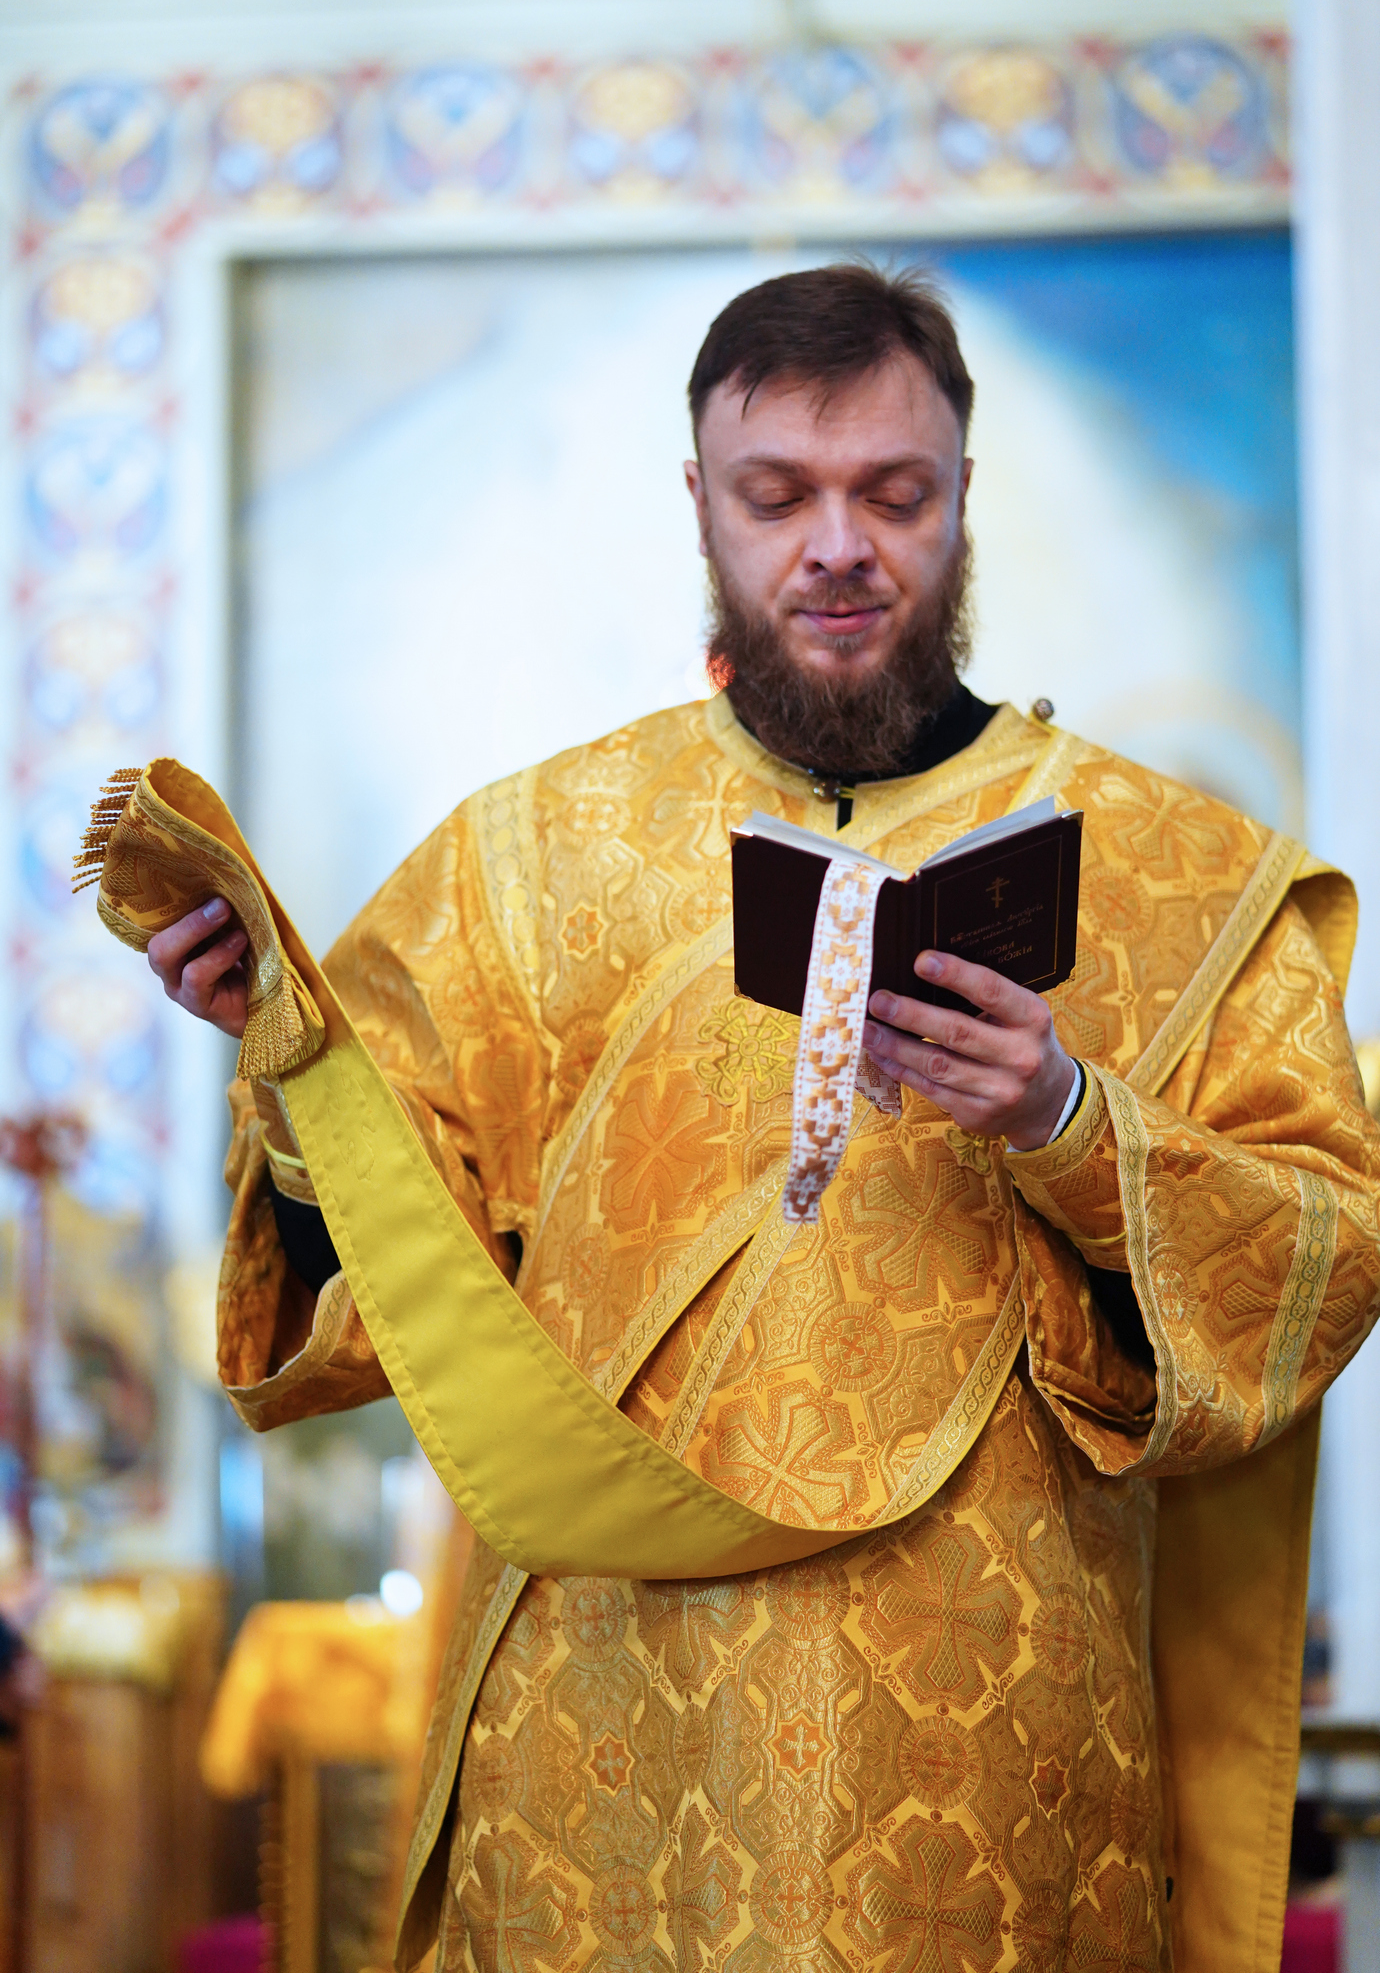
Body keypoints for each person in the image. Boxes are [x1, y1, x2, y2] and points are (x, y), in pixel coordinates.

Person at [148, 265, 1380, 1973]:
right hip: (608, 1737)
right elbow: (384, 1270)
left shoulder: (1181, 876)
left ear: (962, 492)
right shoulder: (523, 863)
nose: (839, 547)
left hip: (997, 1748)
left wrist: (1067, 1117)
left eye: (895, 493)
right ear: (699, 504)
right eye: (778, 496)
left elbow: (1325, 1255)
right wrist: (290, 1068)